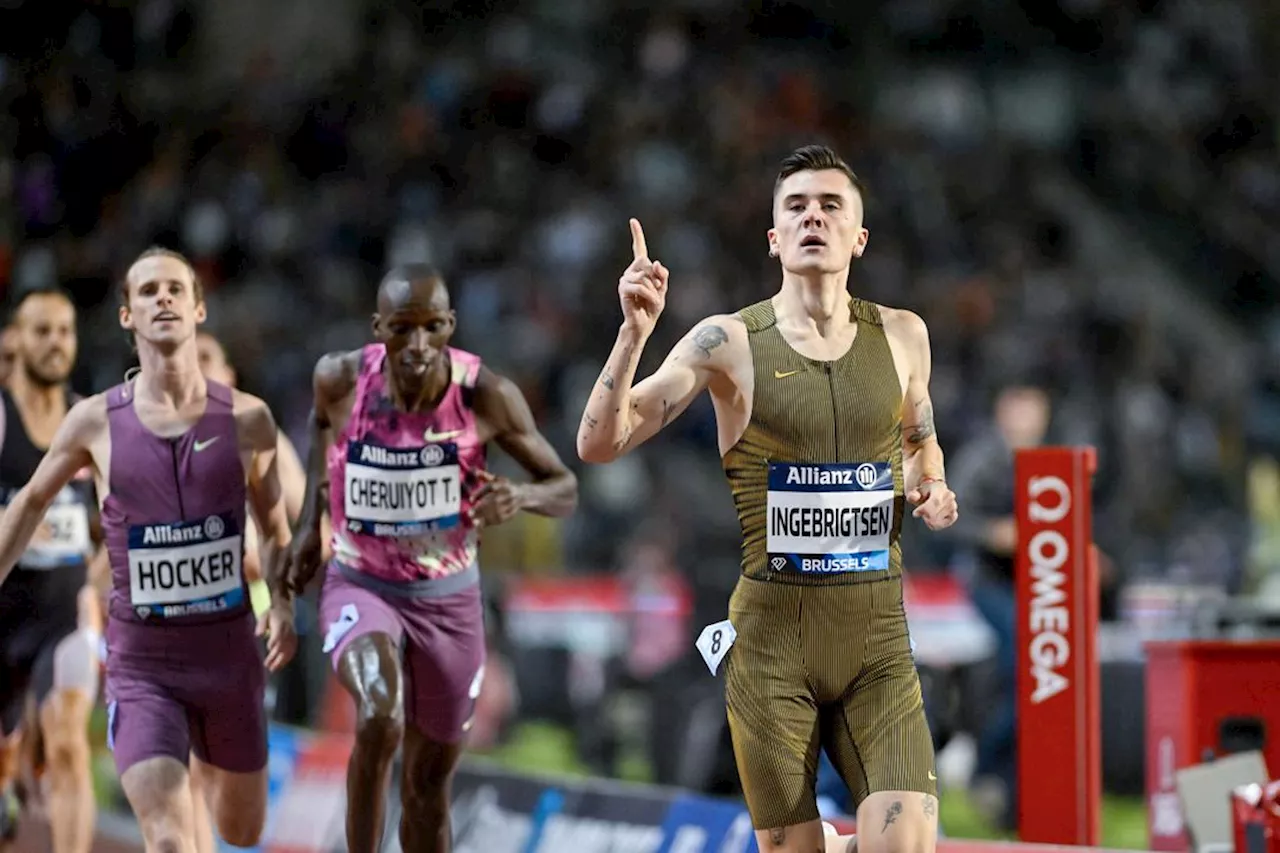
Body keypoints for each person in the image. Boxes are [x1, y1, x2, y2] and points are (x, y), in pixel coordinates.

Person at [576, 144, 959, 853]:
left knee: (905, 845)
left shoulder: (904, 335)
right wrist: (633, 334)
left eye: (831, 205)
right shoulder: (725, 341)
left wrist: (929, 479)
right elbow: (600, 442)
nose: (814, 215)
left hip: (876, 642)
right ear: (775, 237)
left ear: (859, 237)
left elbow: (918, 436)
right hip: (772, 649)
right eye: (797, 206)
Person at [0, 247, 298, 853]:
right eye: (147, 292)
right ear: (126, 316)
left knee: (242, 829)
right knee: (165, 836)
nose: (162, 299)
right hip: (143, 668)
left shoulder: (249, 421)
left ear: (198, 307)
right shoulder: (93, 423)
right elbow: (29, 504)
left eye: (174, 289)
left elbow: (275, 528)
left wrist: (284, 603)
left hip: (228, 659)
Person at [280, 264, 578, 853]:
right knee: (378, 716)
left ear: (450, 325)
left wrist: (519, 494)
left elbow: (565, 487)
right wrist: (308, 529)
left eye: (431, 328)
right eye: (401, 329)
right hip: (362, 585)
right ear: (377, 328)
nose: (416, 346)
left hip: (449, 602)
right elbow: (321, 434)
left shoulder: (484, 394)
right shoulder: (339, 380)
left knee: (425, 786)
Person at [191, 331, 327, 853]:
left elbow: (305, 516)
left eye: (206, 358)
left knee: (224, 768)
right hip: (169, 625)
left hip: (245, 616)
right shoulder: (147, 433)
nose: (194, 369)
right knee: (181, 766)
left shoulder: (252, 430)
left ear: (229, 376)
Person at [0, 290, 102, 853]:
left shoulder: (89, 421)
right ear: (17, 339)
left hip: (61, 617)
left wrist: (101, 575)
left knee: (67, 743)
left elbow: (117, 518)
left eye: (65, 330)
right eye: (42, 331)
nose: (56, 342)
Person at [945, 381, 1050, 831]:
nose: (1028, 422)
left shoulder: (1049, 463)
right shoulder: (980, 459)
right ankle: (983, 762)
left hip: (1039, 583)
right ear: (1003, 412)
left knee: (1034, 674)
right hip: (987, 580)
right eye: (1021, 411)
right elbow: (949, 517)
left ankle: (1006, 777)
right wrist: (994, 534)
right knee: (1026, 662)